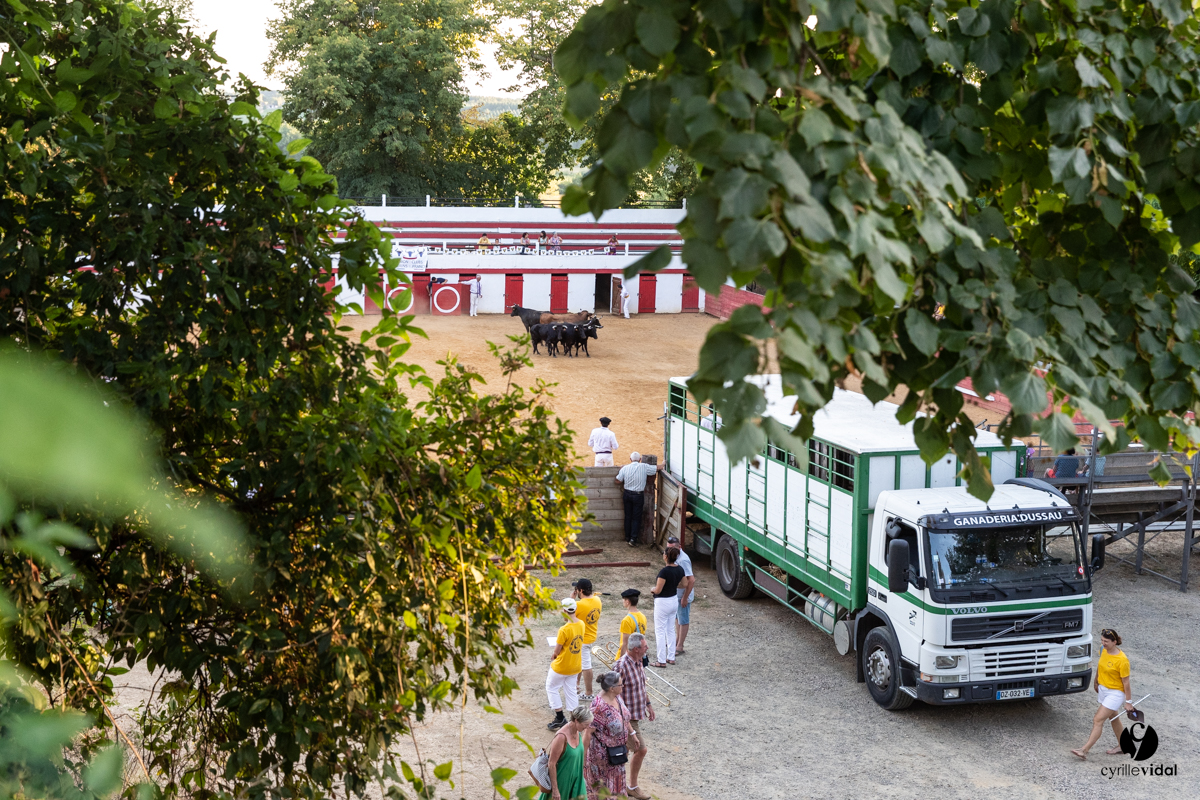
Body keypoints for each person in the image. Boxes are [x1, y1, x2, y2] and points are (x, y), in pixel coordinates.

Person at [1072, 628, 1135, 760]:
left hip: (1116, 693)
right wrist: (1096, 682)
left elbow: (1126, 683)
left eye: (1106, 641)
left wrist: (1128, 702)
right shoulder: (1103, 649)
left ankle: (1084, 750)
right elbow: (1100, 666)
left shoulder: (1122, 660)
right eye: (1102, 640)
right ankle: (1124, 745)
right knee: (1114, 718)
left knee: (1098, 719)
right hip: (1103, 689)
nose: (1103, 643)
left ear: (1115, 642)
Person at [586, 672, 638, 800]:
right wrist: (582, 760)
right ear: (611, 688)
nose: (623, 686)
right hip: (603, 757)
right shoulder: (598, 707)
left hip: (617, 753)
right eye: (621, 684)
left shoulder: (617, 696)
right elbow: (587, 733)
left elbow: (624, 717)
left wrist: (632, 734)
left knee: (617, 785)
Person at [615, 634, 654, 800]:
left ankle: (620, 786)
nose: (647, 649)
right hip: (625, 719)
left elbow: (641, 686)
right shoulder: (621, 666)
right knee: (640, 749)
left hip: (634, 716)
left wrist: (649, 704)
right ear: (636, 649)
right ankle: (631, 786)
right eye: (645, 646)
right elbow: (614, 695)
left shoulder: (639, 661)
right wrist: (625, 721)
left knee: (621, 752)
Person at [547, 598, 585, 731]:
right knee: (571, 692)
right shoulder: (581, 624)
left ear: (564, 611)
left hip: (562, 666)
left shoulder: (564, 629)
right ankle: (575, 721)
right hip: (575, 666)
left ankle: (559, 717)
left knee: (551, 688)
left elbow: (556, 651)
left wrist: (553, 655)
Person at [539, 705, 592, 800]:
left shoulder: (578, 731)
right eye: (586, 724)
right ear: (576, 720)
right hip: (562, 782)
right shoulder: (561, 737)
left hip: (577, 780)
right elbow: (551, 764)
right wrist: (555, 790)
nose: (587, 727)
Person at [648, 547, 684, 667]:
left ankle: (661, 660)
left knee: (660, 630)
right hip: (673, 600)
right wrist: (673, 585)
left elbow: (658, 590)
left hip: (662, 602)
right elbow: (684, 583)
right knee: (670, 629)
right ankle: (671, 657)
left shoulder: (664, 572)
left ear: (666, 556)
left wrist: (653, 590)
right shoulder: (680, 569)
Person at [615, 452, 657, 547]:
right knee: (636, 517)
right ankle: (633, 538)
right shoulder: (644, 466)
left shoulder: (625, 468)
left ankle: (627, 536)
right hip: (638, 496)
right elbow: (656, 468)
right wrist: (663, 464)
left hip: (627, 494)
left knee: (628, 516)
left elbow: (617, 481)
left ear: (630, 459)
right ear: (640, 460)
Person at [572, 578, 602, 700]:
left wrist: (571, 600)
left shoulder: (578, 605)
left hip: (583, 639)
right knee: (580, 662)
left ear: (581, 590)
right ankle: (576, 684)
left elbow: (566, 617)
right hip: (591, 635)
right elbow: (592, 597)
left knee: (585, 665)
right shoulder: (597, 600)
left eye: (577, 589)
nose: (576, 591)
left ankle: (589, 693)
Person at [665, 535, 695, 655]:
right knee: (677, 619)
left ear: (679, 547)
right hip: (676, 595)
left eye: (672, 548)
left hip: (683, 595)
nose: (669, 551)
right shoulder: (673, 556)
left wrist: (685, 598)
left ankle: (680, 646)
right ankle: (677, 641)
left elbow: (691, 580)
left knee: (683, 619)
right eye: (668, 548)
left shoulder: (683, 560)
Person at [616, 589, 647, 659]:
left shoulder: (626, 620)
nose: (623, 601)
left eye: (624, 599)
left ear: (627, 602)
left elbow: (625, 644)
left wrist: (621, 661)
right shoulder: (643, 616)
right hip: (638, 655)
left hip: (629, 656)